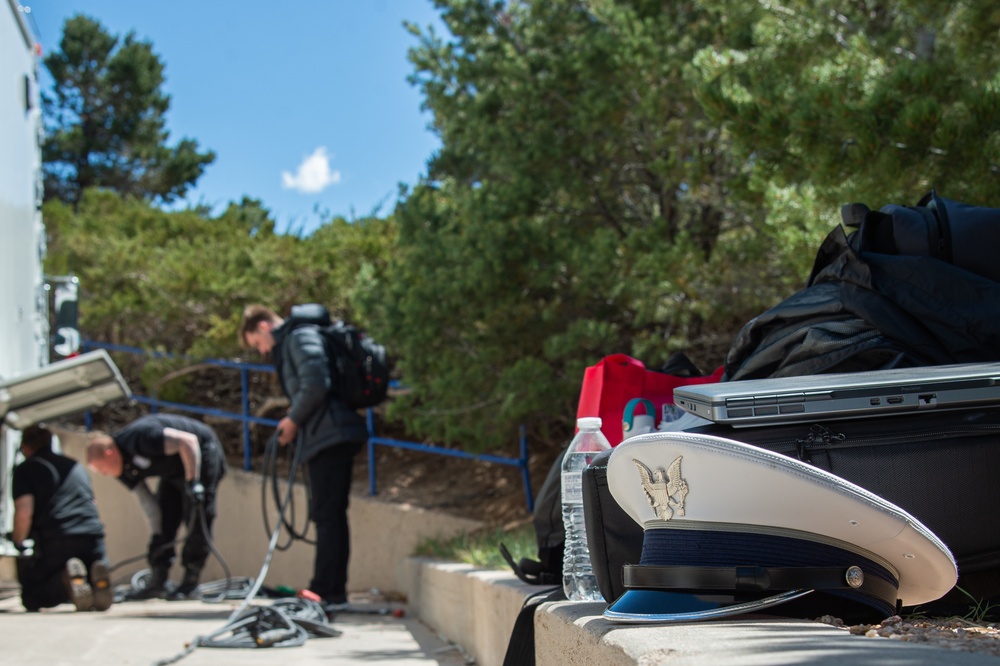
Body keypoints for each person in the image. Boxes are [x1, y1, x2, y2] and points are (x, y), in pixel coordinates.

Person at [239, 304, 368, 609]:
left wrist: (293, 419)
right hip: (326, 433)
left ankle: (327, 591)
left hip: (332, 435)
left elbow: (315, 383)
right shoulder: (297, 338)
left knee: (328, 516)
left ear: (263, 327)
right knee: (328, 514)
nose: (261, 351)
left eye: (258, 344)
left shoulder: (298, 337)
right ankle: (328, 588)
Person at [86, 413, 226, 600]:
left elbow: (188, 441)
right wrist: (157, 534)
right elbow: (149, 505)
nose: (104, 475)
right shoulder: (123, 469)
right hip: (172, 471)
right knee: (165, 516)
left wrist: (193, 482)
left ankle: (190, 582)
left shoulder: (140, 438)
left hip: (201, 454)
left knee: (197, 514)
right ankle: (158, 581)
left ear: (109, 454)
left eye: (102, 469)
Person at [10, 425, 112, 612]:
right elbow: (92, 502)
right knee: (86, 572)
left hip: (57, 539)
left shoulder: (26, 469)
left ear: (25, 447)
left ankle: (64, 579)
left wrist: (18, 540)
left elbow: (24, 511)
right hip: (93, 536)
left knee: (32, 597)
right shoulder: (74, 466)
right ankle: (96, 577)